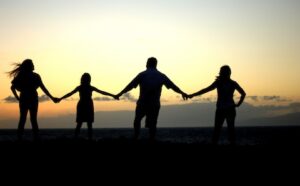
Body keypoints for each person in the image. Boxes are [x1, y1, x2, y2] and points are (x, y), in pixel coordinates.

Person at [116, 57, 188, 141]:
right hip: (154, 104)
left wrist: (120, 94)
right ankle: (151, 139)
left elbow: (130, 86)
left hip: (142, 103)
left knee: (137, 120)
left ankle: (136, 137)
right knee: (153, 123)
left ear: (147, 64)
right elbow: (172, 86)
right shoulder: (161, 76)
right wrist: (182, 93)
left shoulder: (142, 75)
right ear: (155, 64)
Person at [188, 65, 246, 145]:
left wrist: (238, 104)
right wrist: (238, 104)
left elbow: (243, 94)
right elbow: (243, 94)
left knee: (222, 130)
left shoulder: (225, 83)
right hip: (225, 109)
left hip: (225, 109)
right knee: (225, 130)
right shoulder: (226, 83)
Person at [57, 73, 118, 140]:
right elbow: (70, 94)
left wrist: (113, 95)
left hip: (87, 105)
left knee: (87, 124)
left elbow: (103, 92)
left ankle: (86, 139)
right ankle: (79, 138)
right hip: (84, 105)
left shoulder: (86, 87)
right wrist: (60, 98)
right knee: (81, 124)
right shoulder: (81, 87)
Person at [8, 59, 58, 141]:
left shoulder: (24, 76)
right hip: (31, 98)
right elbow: (44, 89)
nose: (34, 65)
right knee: (32, 119)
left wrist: (17, 97)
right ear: (29, 66)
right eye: (32, 64)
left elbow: (12, 88)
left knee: (24, 118)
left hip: (26, 98)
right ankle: (34, 137)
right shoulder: (33, 76)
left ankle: (21, 137)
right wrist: (52, 98)